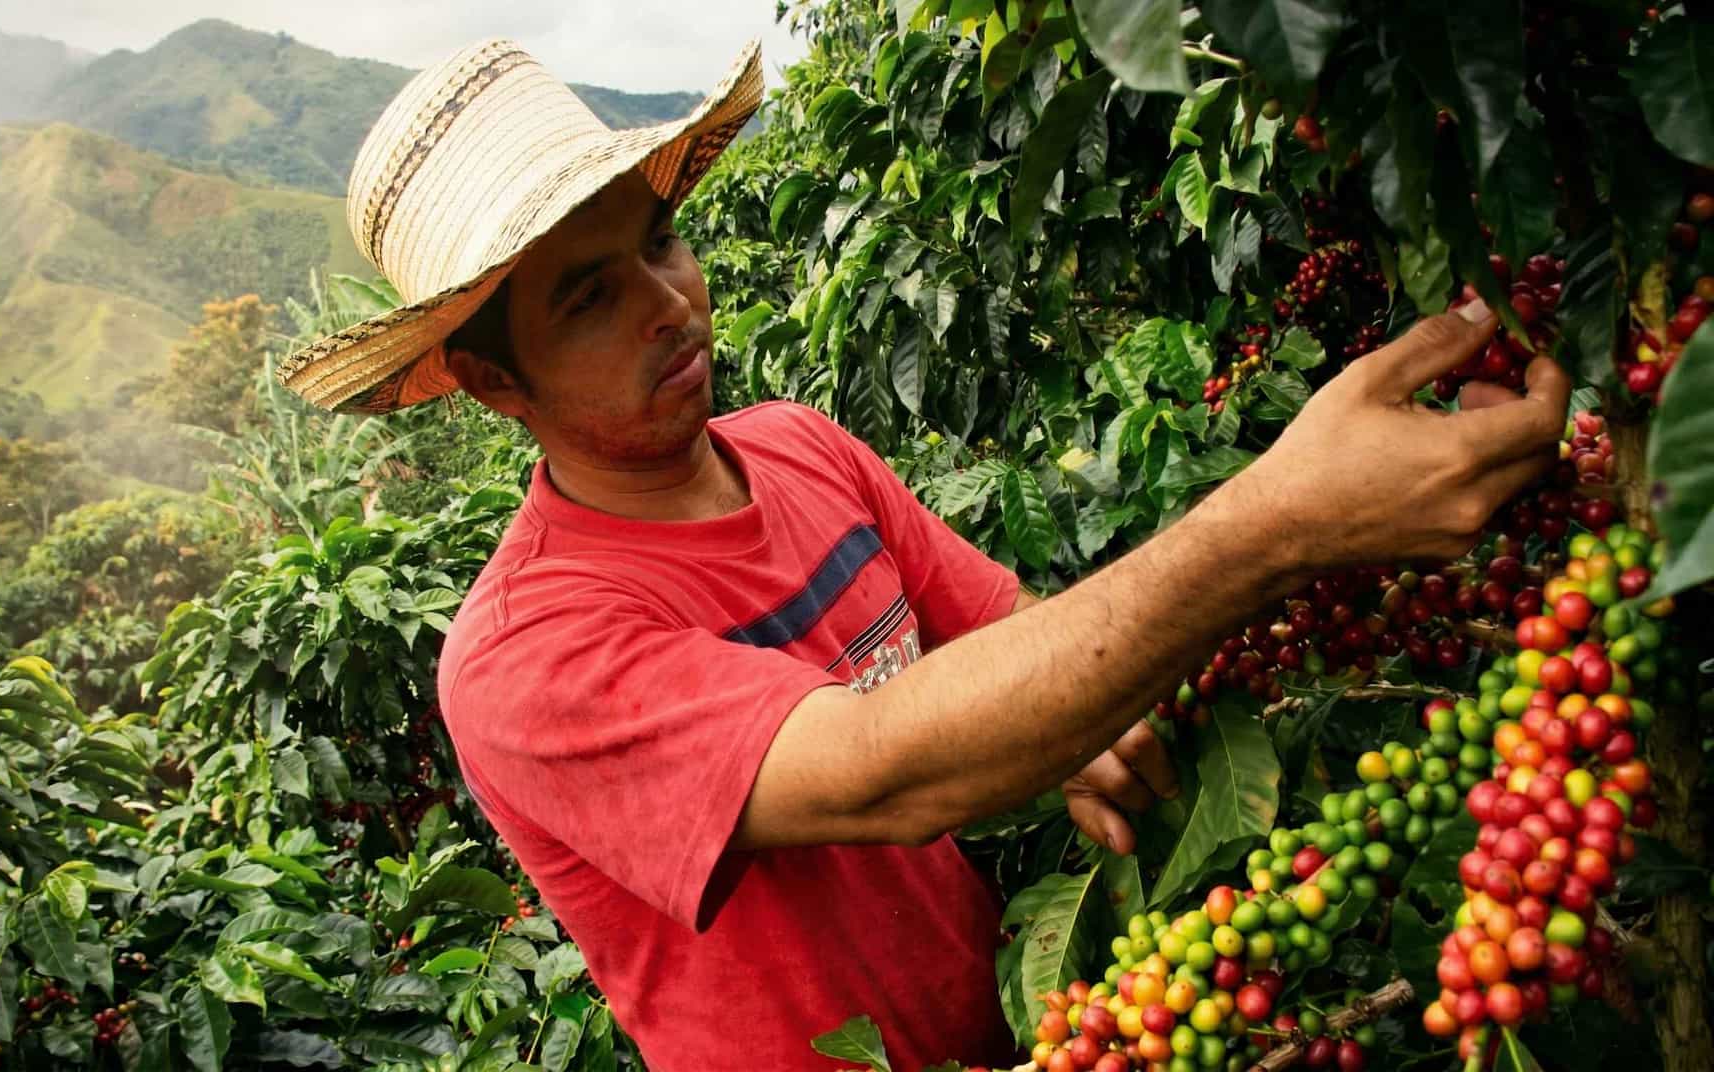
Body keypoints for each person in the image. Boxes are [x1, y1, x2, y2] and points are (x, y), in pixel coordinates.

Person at [278, 38, 1570, 1072]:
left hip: (1022, 1027)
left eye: (657, 244)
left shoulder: (795, 446)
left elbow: (1015, 639)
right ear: (499, 385)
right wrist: (1276, 520)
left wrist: (1103, 715)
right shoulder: (527, 654)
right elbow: (887, 774)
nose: (666, 302)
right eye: (587, 296)